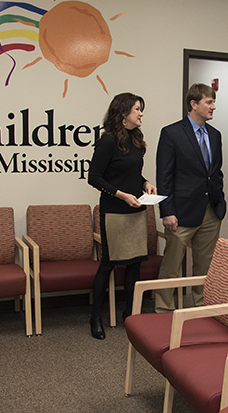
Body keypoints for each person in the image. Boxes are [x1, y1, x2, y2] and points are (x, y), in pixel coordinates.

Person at [88, 92, 157, 340]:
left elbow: (131, 174)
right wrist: (122, 195)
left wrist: (146, 183)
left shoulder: (135, 140)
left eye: (141, 109)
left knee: (135, 263)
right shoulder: (107, 142)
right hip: (115, 212)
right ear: (123, 112)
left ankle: (130, 315)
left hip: (136, 211)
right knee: (108, 264)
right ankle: (95, 317)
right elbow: (94, 177)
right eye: (137, 109)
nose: (141, 114)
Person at [155, 83, 226, 312]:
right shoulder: (172, 133)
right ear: (193, 104)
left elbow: (216, 172)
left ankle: (201, 307)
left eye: (213, 101)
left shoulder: (215, 135)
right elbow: (164, 176)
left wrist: (220, 198)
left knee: (205, 265)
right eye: (209, 102)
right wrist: (167, 211)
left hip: (210, 211)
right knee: (172, 264)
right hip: (181, 212)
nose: (213, 106)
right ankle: (163, 310)